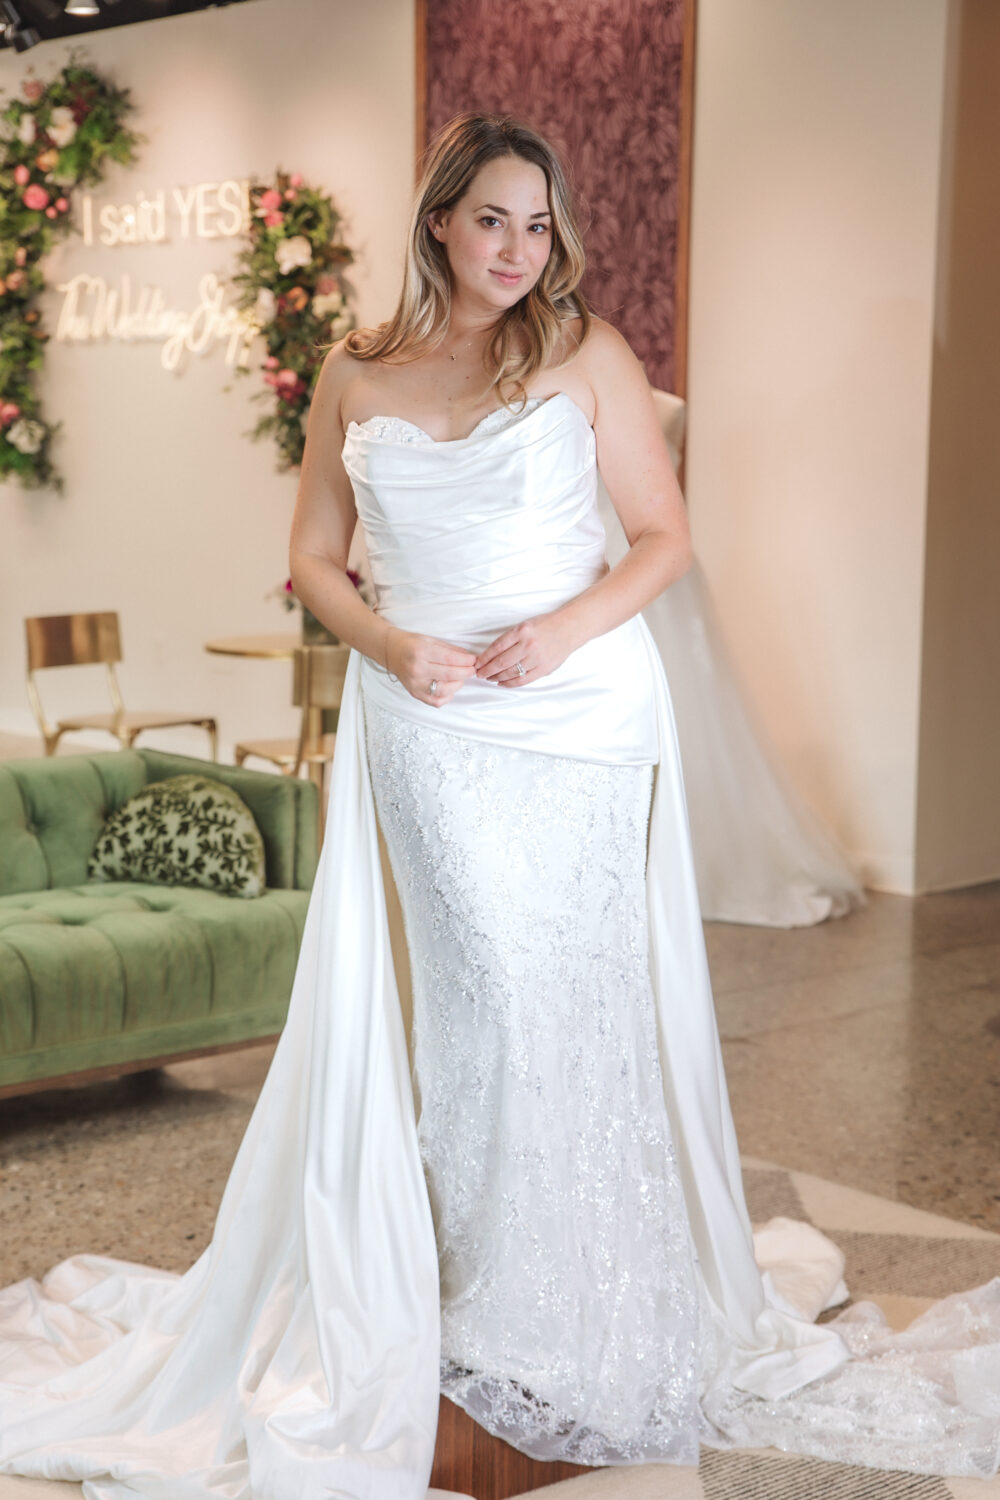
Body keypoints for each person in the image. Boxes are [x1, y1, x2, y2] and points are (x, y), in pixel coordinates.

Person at [1, 111, 998, 1499]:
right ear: (439, 224)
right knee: (484, 995)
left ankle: (575, 1291)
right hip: (427, 716)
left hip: (580, 714)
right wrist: (398, 646)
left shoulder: (587, 355)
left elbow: (664, 542)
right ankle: (470, 1290)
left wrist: (570, 630)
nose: (521, 251)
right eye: (493, 221)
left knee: (573, 999)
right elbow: (312, 556)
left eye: (541, 225)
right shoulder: (356, 372)